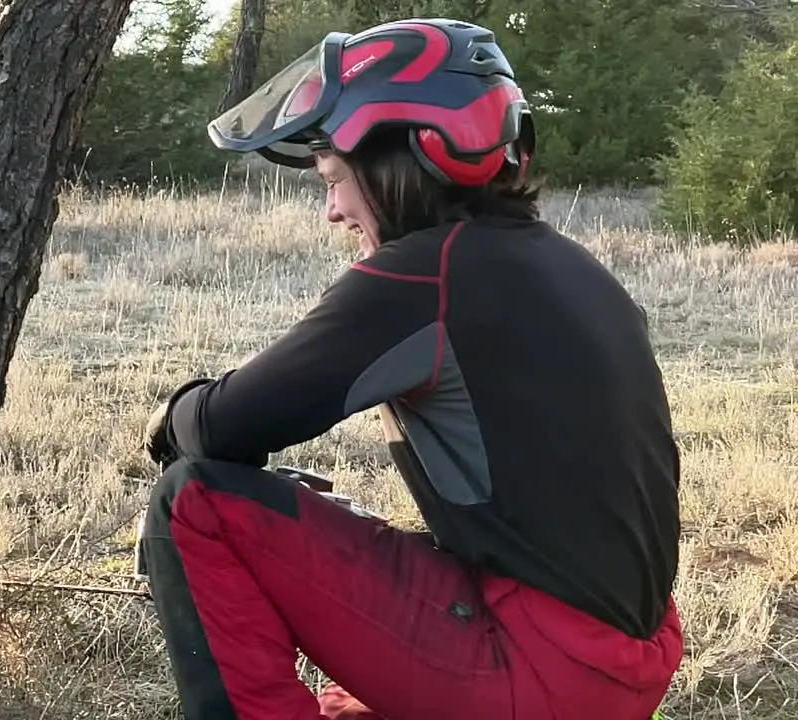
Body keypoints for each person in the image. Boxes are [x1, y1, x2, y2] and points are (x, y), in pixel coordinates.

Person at [135, 17, 684, 720]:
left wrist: (172, 413)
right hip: (627, 657)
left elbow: (223, 427)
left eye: (334, 178)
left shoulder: (427, 274)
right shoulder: (571, 266)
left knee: (196, 501)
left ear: (413, 157)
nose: (332, 210)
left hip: (547, 670)